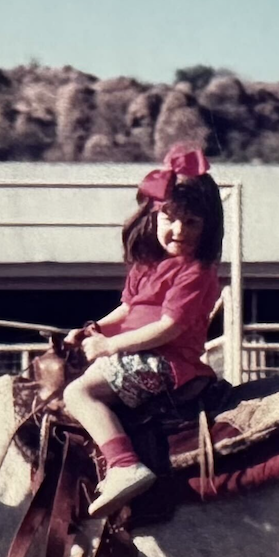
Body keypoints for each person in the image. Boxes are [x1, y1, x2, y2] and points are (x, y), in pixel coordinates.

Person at [63, 144, 224, 518]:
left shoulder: (197, 272)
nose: (179, 230)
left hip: (166, 363)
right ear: (153, 217)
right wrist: (91, 330)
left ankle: (123, 465)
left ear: (207, 228)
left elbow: (169, 329)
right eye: (169, 218)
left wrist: (109, 346)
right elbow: (128, 309)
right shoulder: (147, 265)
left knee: (79, 392)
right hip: (135, 354)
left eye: (192, 222)